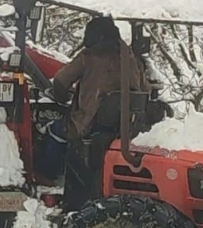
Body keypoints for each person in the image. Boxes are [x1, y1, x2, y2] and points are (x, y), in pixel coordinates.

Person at [50, 16, 152, 211]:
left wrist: (60, 96)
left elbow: (61, 81)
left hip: (90, 123)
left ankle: (49, 177)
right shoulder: (130, 57)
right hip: (125, 126)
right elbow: (144, 90)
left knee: (53, 130)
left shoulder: (88, 57)